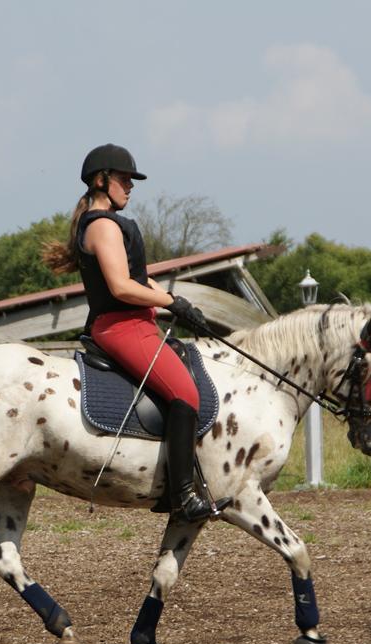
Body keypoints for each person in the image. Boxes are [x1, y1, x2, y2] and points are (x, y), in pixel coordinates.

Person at [42, 143, 228, 522]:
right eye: (124, 179)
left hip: (137, 322)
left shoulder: (105, 223)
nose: (130, 186)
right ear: (101, 180)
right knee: (185, 394)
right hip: (122, 327)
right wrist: (171, 301)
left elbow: (140, 280)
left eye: (131, 180)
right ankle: (182, 496)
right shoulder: (103, 226)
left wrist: (172, 301)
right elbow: (122, 288)